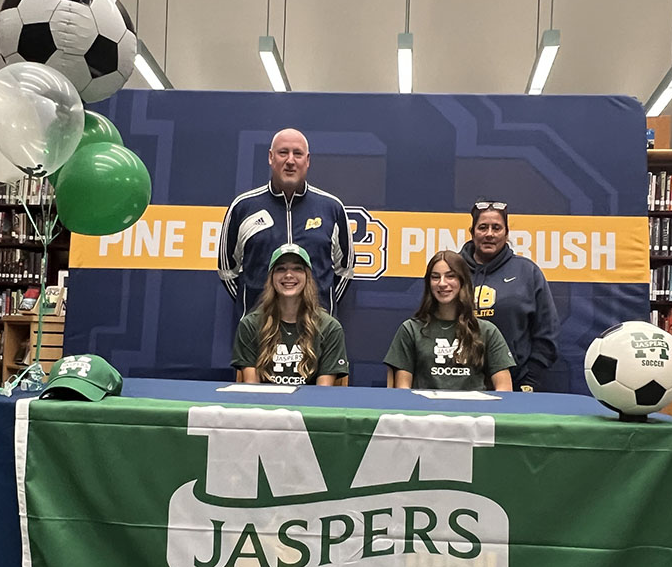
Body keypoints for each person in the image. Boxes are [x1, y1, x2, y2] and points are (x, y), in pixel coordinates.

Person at [218, 128, 354, 317]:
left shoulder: (331, 208)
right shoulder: (243, 208)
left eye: (297, 154)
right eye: (283, 152)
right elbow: (227, 270)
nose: (290, 161)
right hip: (260, 333)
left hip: (315, 331)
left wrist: (322, 310)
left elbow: (345, 270)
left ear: (307, 160)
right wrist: (252, 311)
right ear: (271, 157)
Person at [459, 200, 559, 392]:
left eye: (496, 228)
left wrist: (528, 381)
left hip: (514, 384)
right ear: (472, 232)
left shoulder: (527, 272)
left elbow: (547, 333)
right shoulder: (452, 270)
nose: (489, 234)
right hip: (458, 383)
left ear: (506, 233)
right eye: (483, 227)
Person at [384, 250, 514, 391]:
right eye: (435, 277)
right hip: (424, 411)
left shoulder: (487, 331)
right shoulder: (410, 329)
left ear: (462, 281)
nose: (442, 283)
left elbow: (504, 389)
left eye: (450, 276)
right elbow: (402, 389)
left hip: (474, 412)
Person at [232, 243, 349, 386]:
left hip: (309, 407)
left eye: (297, 269)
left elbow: (322, 394)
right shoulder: (250, 325)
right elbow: (252, 389)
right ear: (271, 278)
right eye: (281, 269)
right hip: (265, 406)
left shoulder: (329, 328)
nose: (288, 275)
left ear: (307, 277)